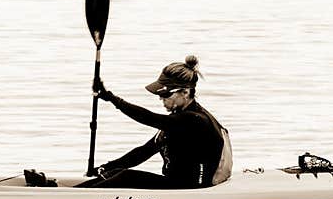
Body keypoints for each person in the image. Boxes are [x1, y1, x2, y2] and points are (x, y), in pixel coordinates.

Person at [79, 55, 232, 189]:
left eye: (165, 94)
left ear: (185, 92)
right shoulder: (177, 119)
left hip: (192, 188)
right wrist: (105, 168)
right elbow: (144, 152)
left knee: (126, 177)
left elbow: (148, 118)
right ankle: (71, 193)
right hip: (176, 183)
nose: (161, 99)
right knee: (116, 173)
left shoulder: (195, 119)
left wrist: (112, 98)